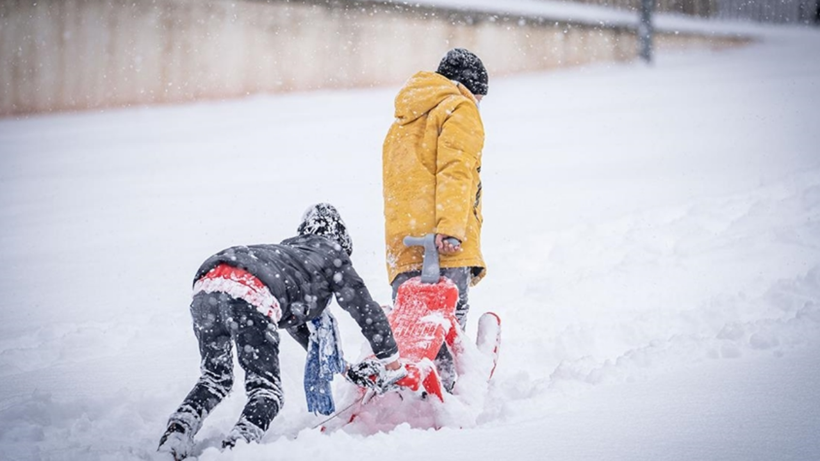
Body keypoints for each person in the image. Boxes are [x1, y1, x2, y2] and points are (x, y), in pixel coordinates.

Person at [158, 203, 406, 459]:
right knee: (267, 392)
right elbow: (365, 310)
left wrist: (346, 370)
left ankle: (177, 434)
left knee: (215, 379)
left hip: (208, 283)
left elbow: (309, 341)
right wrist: (392, 362)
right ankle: (236, 448)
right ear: (341, 240)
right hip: (250, 291)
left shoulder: (288, 259)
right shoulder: (331, 254)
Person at [381, 48, 489, 390]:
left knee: (414, 327)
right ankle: (450, 388)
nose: (479, 104)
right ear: (468, 88)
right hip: (443, 239)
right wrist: (451, 229)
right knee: (448, 321)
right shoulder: (459, 107)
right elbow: (456, 172)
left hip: (403, 242)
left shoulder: (403, 118)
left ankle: (413, 387)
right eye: (480, 97)